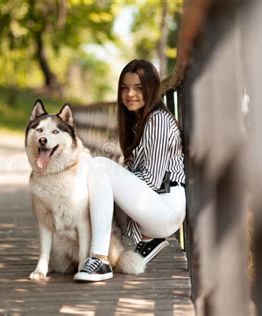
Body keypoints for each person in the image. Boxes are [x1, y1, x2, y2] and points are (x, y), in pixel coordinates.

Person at [74, 59, 186, 282]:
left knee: (99, 166)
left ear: (151, 89)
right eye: (125, 88)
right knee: (98, 175)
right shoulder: (138, 122)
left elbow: (152, 180)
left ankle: (100, 259)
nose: (130, 94)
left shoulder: (159, 121)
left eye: (138, 88)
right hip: (154, 209)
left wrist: (111, 188)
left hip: (165, 207)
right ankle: (148, 239)